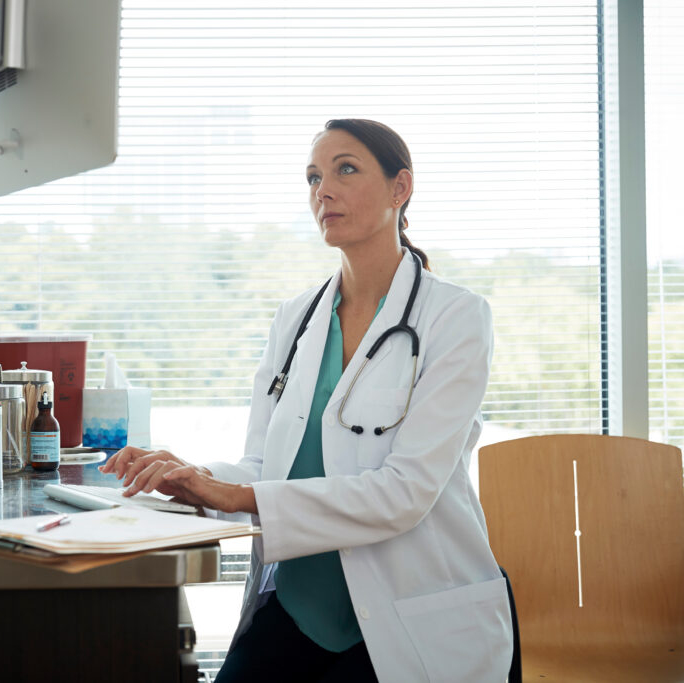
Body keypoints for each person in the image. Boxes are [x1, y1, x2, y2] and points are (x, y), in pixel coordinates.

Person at [99, 119, 514, 682]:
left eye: (346, 169)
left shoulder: (456, 318)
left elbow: (405, 494)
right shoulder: (295, 319)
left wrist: (234, 492)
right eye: (314, 177)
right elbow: (262, 467)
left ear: (400, 188)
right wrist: (190, 475)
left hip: (407, 617)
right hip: (296, 610)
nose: (324, 190)